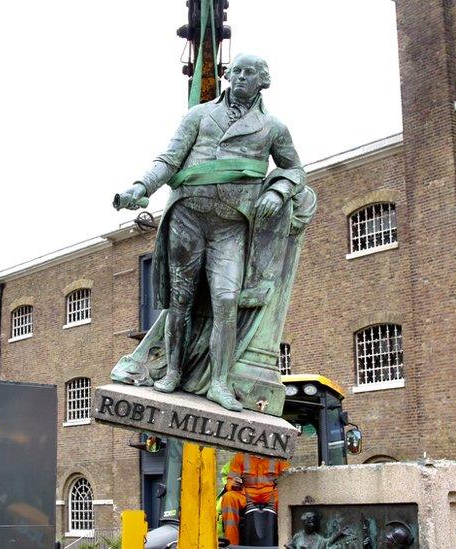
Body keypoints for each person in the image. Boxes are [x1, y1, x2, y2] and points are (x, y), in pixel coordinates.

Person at [113, 53, 310, 412]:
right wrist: (140, 187)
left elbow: (294, 169)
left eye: (248, 73)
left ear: (263, 81)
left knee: (226, 301)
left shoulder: (273, 128)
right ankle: (172, 373)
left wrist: (276, 191)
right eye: (234, 72)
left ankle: (219, 382)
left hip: (230, 226)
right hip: (188, 218)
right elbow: (169, 160)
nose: (239, 78)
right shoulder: (199, 116)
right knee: (180, 301)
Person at [218, 452, 289, 545]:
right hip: (246, 493)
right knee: (229, 497)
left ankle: (286, 542)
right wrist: (234, 484)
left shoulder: (279, 456)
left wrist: (281, 487)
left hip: (270, 493)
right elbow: (230, 480)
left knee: (285, 498)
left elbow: (288, 478)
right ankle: (231, 544)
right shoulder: (240, 456)